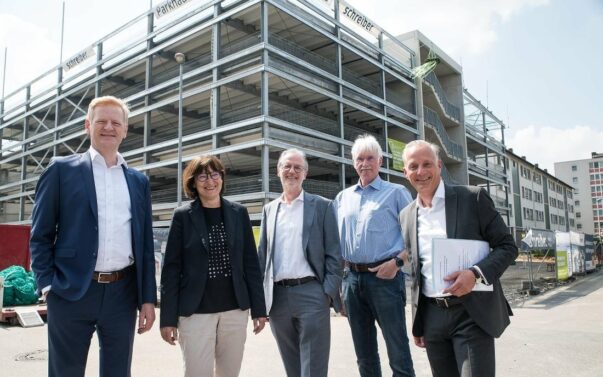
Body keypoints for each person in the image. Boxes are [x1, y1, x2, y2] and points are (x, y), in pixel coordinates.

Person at [30, 96, 157, 377]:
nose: (108, 127)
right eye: (101, 121)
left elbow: (145, 245)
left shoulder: (138, 181)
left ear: (125, 129)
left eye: (116, 122)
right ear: (88, 125)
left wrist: (147, 297)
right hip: (71, 291)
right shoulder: (61, 170)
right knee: (66, 372)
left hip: (122, 294)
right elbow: (40, 235)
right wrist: (48, 286)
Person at [399, 140, 518, 377]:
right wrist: (418, 322)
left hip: (471, 313)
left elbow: (507, 246)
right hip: (433, 317)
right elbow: (417, 273)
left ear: (439, 166)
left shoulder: (471, 198)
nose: (420, 172)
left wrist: (475, 274)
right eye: (413, 166)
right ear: (405, 172)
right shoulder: (406, 215)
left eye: (427, 164)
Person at [159, 155, 268, 377]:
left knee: (229, 373)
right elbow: (171, 269)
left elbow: (251, 264)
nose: (210, 181)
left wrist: (259, 309)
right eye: (202, 176)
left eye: (214, 174)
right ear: (192, 182)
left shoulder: (239, 212)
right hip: (195, 313)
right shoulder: (182, 216)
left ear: (222, 178)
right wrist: (168, 319)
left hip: (234, 311)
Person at [333, 135, 415, 377]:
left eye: (370, 158)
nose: (365, 163)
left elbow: (417, 238)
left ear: (380, 161)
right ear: (353, 163)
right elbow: (337, 244)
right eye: (360, 158)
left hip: (386, 279)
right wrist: (339, 285)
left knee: (398, 350)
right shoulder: (342, 198)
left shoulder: (397, 193)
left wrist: (398, 263)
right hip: (351, 280)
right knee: (364, 355)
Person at [258, 149, 342, 377]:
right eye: (287, 166)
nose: (292, 171)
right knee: (292, 368)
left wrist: (326, 293)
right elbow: (263, 257)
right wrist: (261, 301)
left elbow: (335, 254)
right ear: (278, 171)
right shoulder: (269, 210)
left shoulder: (322, 206)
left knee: (313, 369)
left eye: (298, 167)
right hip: (278, 299)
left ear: (305, 173)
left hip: (312, 294)